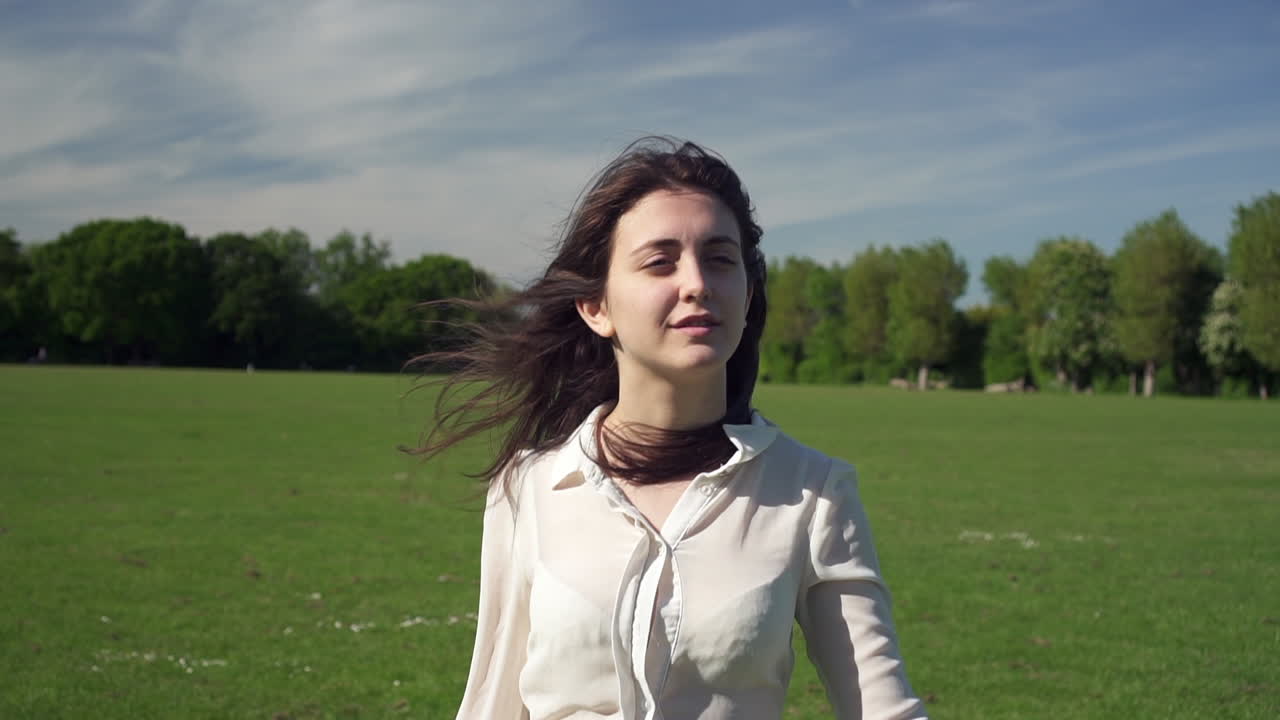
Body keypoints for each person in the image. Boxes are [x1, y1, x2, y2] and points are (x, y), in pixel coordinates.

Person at [414, 137, 927, 720]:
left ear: (748, 291)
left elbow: (885, 711)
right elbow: (492, 704)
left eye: (719, 258)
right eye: (660, 261)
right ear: (595, 306)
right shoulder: (527, 488)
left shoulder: (814, 492)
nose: (697, 283)